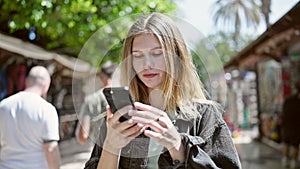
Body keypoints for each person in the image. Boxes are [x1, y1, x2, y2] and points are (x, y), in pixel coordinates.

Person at [84, 12, 242, 169]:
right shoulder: (119, 118)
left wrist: (177, 146)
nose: (147, 64)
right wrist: (111, 146)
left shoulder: (206, 116)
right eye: (138, 56)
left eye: (157, 53)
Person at [0, 66, 60, 169]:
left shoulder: (3, 106)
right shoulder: (47, 109)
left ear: (26, 81)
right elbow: (50, 149)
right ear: (46, 86)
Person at [76, 61, 118, 144]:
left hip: (100, 152)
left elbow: (83, 136)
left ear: (102, 76)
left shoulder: (91, 100)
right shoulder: (127, 97)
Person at [281, 81, 300, 168]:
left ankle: (286, 160)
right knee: (294, 144)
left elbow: (283, 113)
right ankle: (293, 161)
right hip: (295, 125)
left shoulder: (288, 100)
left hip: (287, 125)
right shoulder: (297, 101)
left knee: (286, 142)